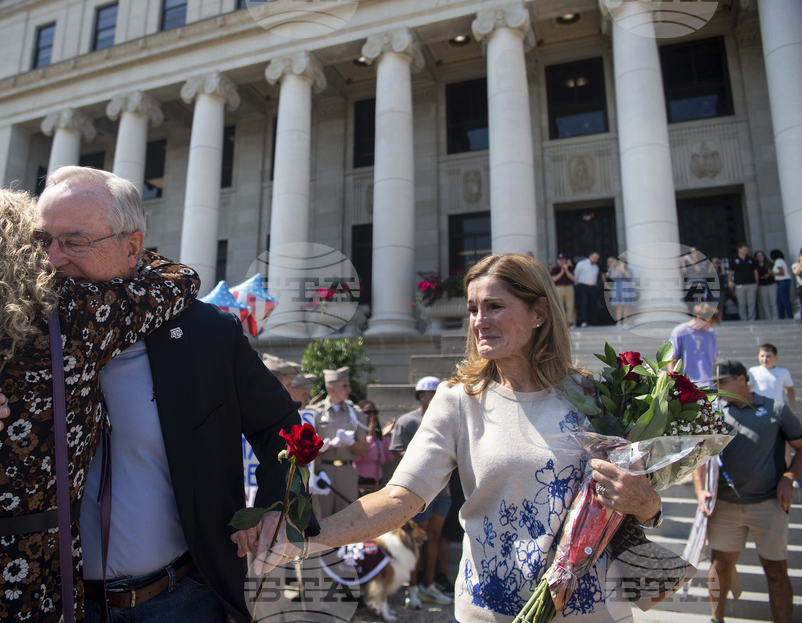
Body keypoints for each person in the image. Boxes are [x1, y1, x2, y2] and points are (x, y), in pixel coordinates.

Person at [0, 169, 308, 623]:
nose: (52, 260)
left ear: (132, 247)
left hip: (178, 599)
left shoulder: (204, 333)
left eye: (74, 242)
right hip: (44, 603)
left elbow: (282, 425)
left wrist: (278, 506)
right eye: (40, 242)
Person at [239, 254, 665, 623]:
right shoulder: (457, 399)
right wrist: (306, 538)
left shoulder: (595, 396)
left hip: (592, 611)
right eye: (473, 309)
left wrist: (648, 506)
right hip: (490, 612)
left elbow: (636, 497)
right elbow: (400, 498)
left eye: (495, 306)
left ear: (539, 312)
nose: (479, 321)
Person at [693, 360, 802, 623]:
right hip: (725, 505)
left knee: (776, 571)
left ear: (742, 379)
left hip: (769, 503)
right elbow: (699, 454)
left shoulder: (775, 408)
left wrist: (789, 477)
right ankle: (716, 619)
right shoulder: (714, 412)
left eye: (723, 382)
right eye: (715, 383)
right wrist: (700, 490)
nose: (717, 388)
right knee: (720, 565)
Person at [390, 375, 453, 606]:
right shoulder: (407, 421)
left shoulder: (447, 420)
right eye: (431, 393)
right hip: (417, 490)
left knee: (434, 537)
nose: (435, 397)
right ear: (421, 395)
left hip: (443, 490)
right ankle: (412, 588)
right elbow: (396, 451)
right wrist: (426, 457)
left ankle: (428, 585)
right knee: (417, 539)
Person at [310, 367, 368, 518]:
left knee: (348, 520)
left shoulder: (355, 413)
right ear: (332, 388)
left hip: (346, 472)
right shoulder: (315, 412)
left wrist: (351, 443)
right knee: (321, 520)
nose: (349, 390)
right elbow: (308, 447)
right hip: (323, 471)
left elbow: (364, 450)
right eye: (345, 385)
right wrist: (327, 445)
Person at [667, 303, 720, 385]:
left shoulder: (710, 333)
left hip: (709, 384)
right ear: (699, 318)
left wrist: (716, 382)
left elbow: (713, 360)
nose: (712, 325)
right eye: (710, 322)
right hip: (687, 384)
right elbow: (671, 358)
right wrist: (673, 381)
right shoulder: (680, 331)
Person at [353, 402, 394, 496]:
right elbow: (357, 457)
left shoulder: (377, 436)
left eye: (374, 412)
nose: (372, 416)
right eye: (368, 412)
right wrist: (369, 438)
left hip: (376, 481)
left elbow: (389, 458)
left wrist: (385, 437)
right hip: (361, 480)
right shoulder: (356, 435)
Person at [749, 344, 795, 409]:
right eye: (762, 356)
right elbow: (747, 389)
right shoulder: (753, 371)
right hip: (759, 408)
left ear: (776, 358)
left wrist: (792, 403)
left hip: (777, 409)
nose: (764, 359)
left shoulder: (783, 372)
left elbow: (789, 389)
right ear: (758, 356)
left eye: (768, 356)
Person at [728, 243, 758, 321]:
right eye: (744, 249)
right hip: (740, 284)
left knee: (751, 303)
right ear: (739, 249)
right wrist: (729, 280)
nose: (746, 251)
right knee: (742, 303)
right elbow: (730, 272)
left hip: (751, 284)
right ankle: (743, 319)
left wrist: (756, 282)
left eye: (747, 249)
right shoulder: (734, 260)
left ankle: (752, 319)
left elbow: (755, 272)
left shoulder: (751, 260)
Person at [573, 251, 600, 327]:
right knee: (583, 303)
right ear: (590, 256)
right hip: (583, 286)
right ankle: (583, 321)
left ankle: (592, 322)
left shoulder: (596, 267)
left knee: (592, 304)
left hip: (592, 287)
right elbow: (576, 274)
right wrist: (575, 284)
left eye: (597, 258)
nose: (595, 260)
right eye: (594, 258)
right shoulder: (582, 264)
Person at [607, 256, 634, 326]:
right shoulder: (615, 270)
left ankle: (625, 322)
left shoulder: (629, 270)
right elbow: (613, 278)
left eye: (623, 262)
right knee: (619, 306)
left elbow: (630, 277)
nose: (622, 263)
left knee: (626, 306)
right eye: (620, 262)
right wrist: (617, 270)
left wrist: (624, 271)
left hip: (626, 289)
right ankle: (619, 322)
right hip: (618, 289)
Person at [549, 254, 574, 327]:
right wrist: (561, 272)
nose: (561, 261)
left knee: (570, 305)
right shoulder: (555, 269)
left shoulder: (570, 268)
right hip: (559, 287)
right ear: (557, 261)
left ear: (565, 260)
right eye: (560, 260)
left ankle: (570, 322)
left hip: (569, 287)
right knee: (559, 305)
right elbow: (553, 279)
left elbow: (572, 278)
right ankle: (561, 323)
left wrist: (566, 270)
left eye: (562, 260)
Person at [771, 249, 793, 320]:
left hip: (783, 281)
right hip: (782, 281)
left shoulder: (778, 261)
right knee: (779, 300)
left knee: (785, 299)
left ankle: (790, 315)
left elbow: (781, 273)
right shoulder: (781, 261)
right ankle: (781, 317)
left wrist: (772, 273)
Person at [755, 250, 776, 320]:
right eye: (758, 256)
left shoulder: (769, 264)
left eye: (761, 255)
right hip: (762, 286)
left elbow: (775, 274)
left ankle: (775, 318)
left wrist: (770, 273)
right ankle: (768, 319)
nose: (760, 257)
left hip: (771, 284)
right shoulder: (755, 266)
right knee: (764, 303)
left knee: (773, 302)